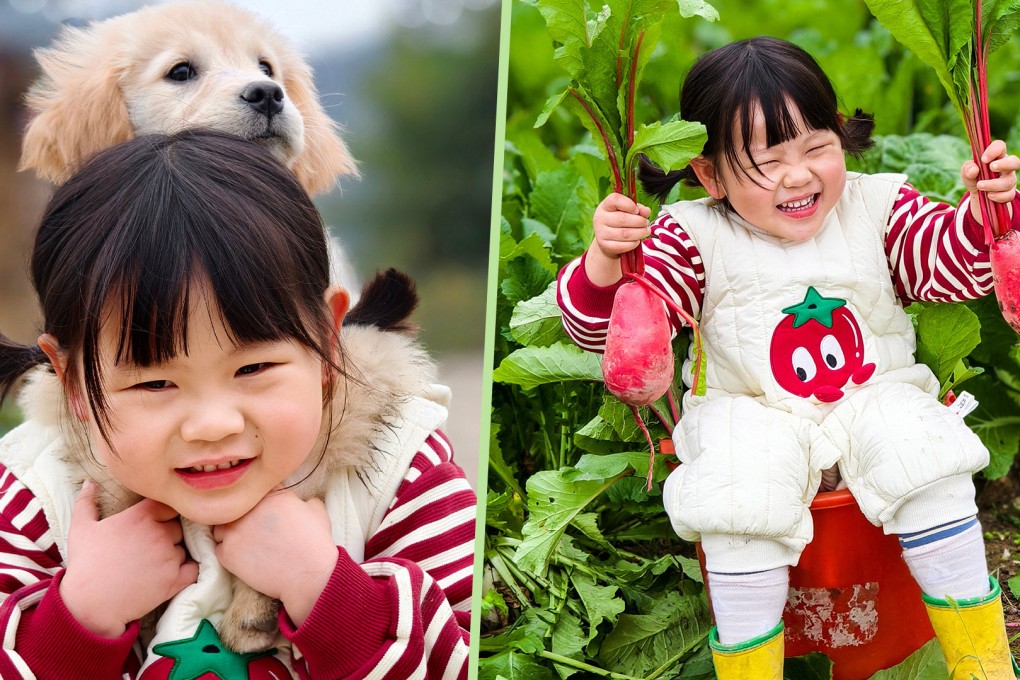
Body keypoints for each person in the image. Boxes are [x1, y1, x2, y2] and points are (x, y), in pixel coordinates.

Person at [557, 36, 1020, 678]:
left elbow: (952, 268)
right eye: (766, 162)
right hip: (753, 415)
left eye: (815, 147)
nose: (798, 175)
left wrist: (989, 214)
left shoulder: (878, 207)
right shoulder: (691, 235)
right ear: (710, 174)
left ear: (840, 136)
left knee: (926, 455)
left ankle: (984, 665)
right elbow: (614, 333)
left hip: (873, 400)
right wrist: (608, 265)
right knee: (736, 495)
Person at [0, 130, 475, 679]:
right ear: (75, 381)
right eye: (155, 385)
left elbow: (474, 657)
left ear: (325, 339)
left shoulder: (396, 467)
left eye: (252, 369)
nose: (213, 425)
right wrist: (79, 618)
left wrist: (325, 588)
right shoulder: (38, 493)